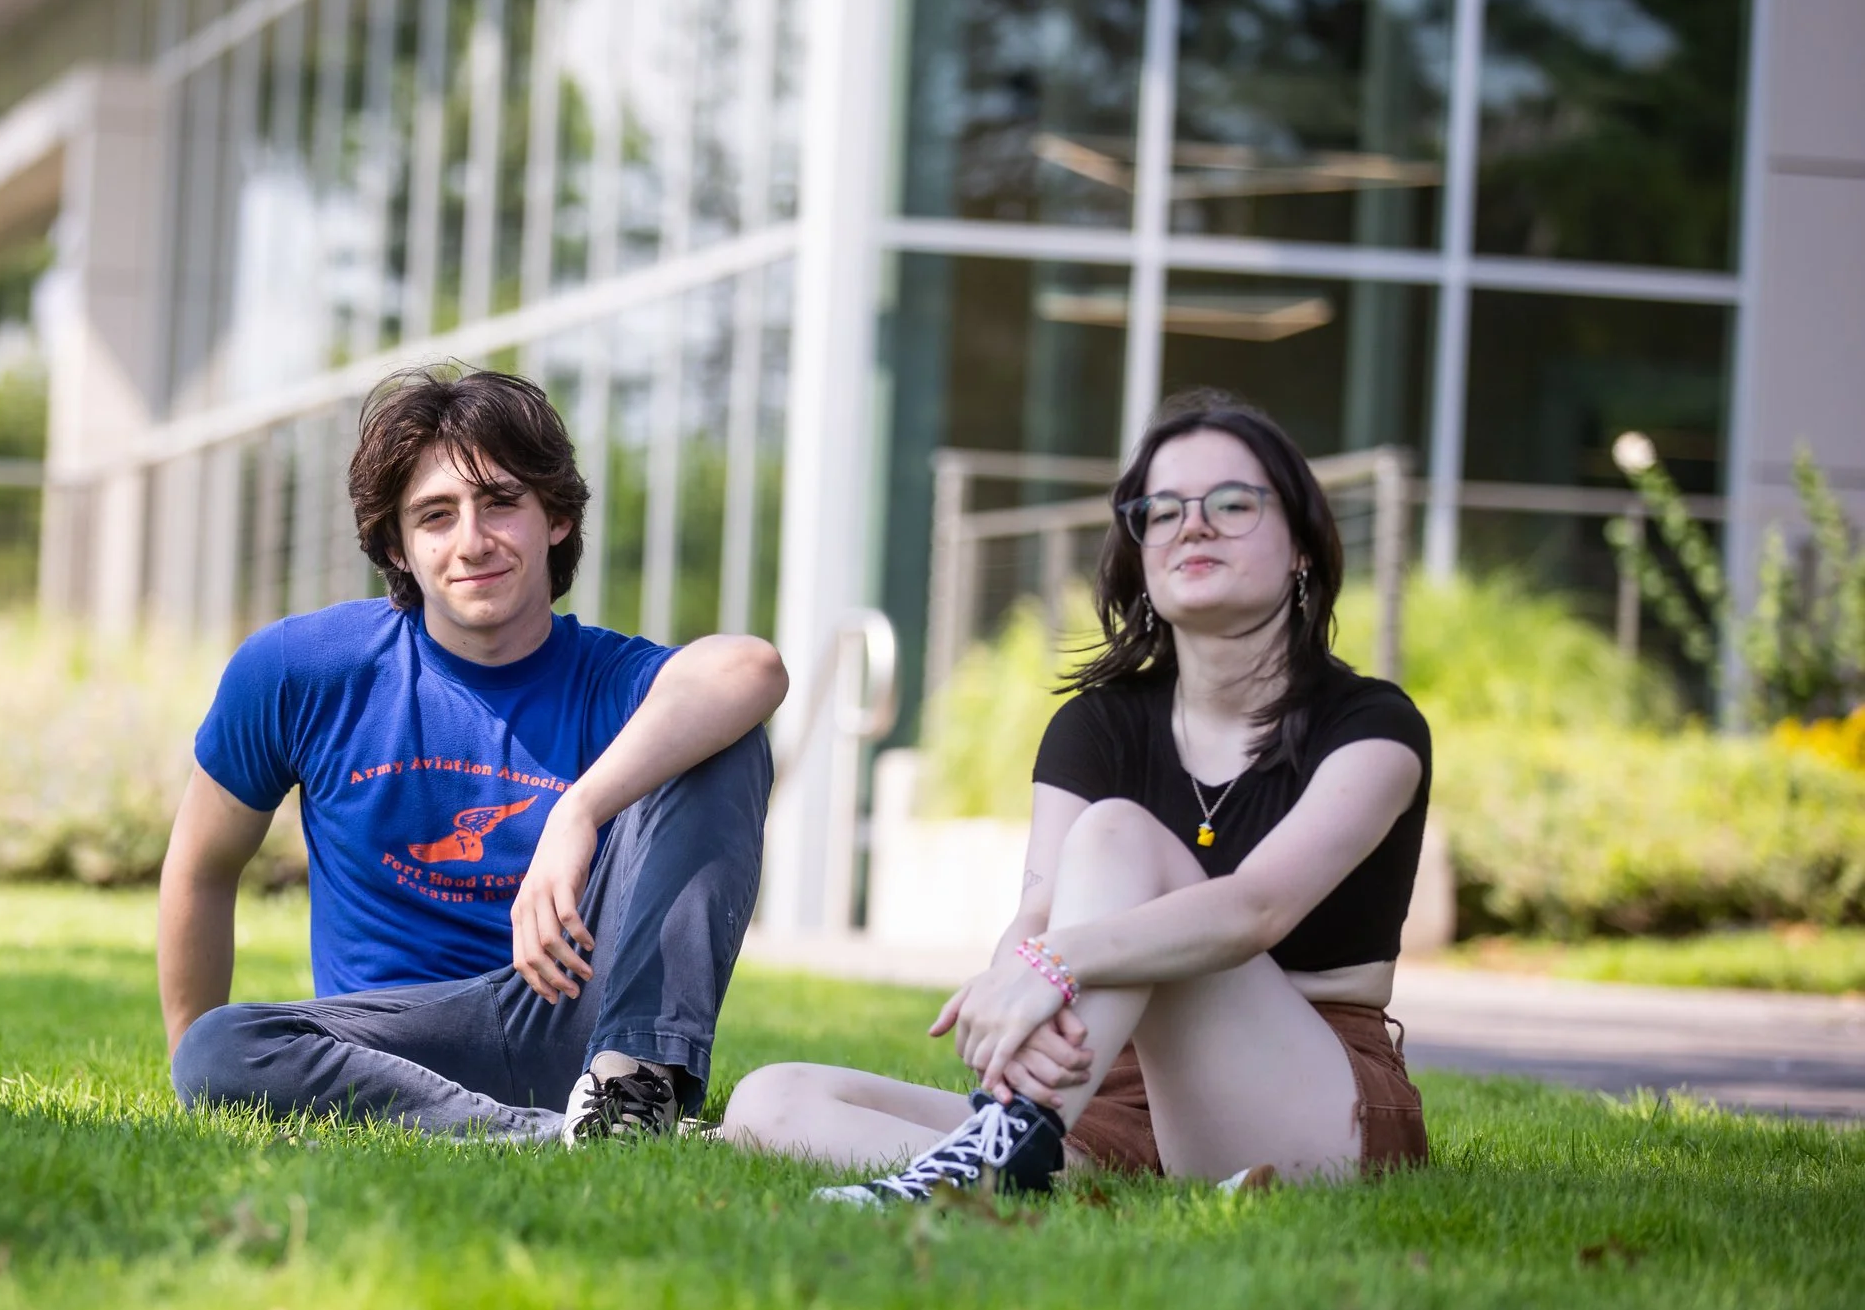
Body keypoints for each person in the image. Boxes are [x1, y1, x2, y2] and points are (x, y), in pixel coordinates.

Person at [720, 390, 1431, 1201]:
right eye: (1161, 511)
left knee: (1116, 834)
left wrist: (1051, 964)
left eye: (1231, 504)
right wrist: (1015, 993)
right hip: (1105, 1090)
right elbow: (1034, 913)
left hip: (1305, 1093)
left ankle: (987, 1160)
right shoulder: (1098, 725)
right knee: (770, 1099)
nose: (1191, 525)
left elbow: (1254, 910)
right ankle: (1026, 1158)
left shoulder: (1373, 727)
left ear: (1304, 544)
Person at [162, 364, 786, 1143]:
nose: (471, 541)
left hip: (580, 1020)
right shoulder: (303, 669)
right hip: (391, 1046)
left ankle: (635, 1094)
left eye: (499, 503)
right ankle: (545, 1135)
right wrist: (194, 1068)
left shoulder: (608, 679)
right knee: (218, 1047)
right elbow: (201, 865)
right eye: (435, 515)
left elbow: (751, 668)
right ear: (396, 543)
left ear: (554, 517)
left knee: (722, 737)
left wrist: (578, 811)